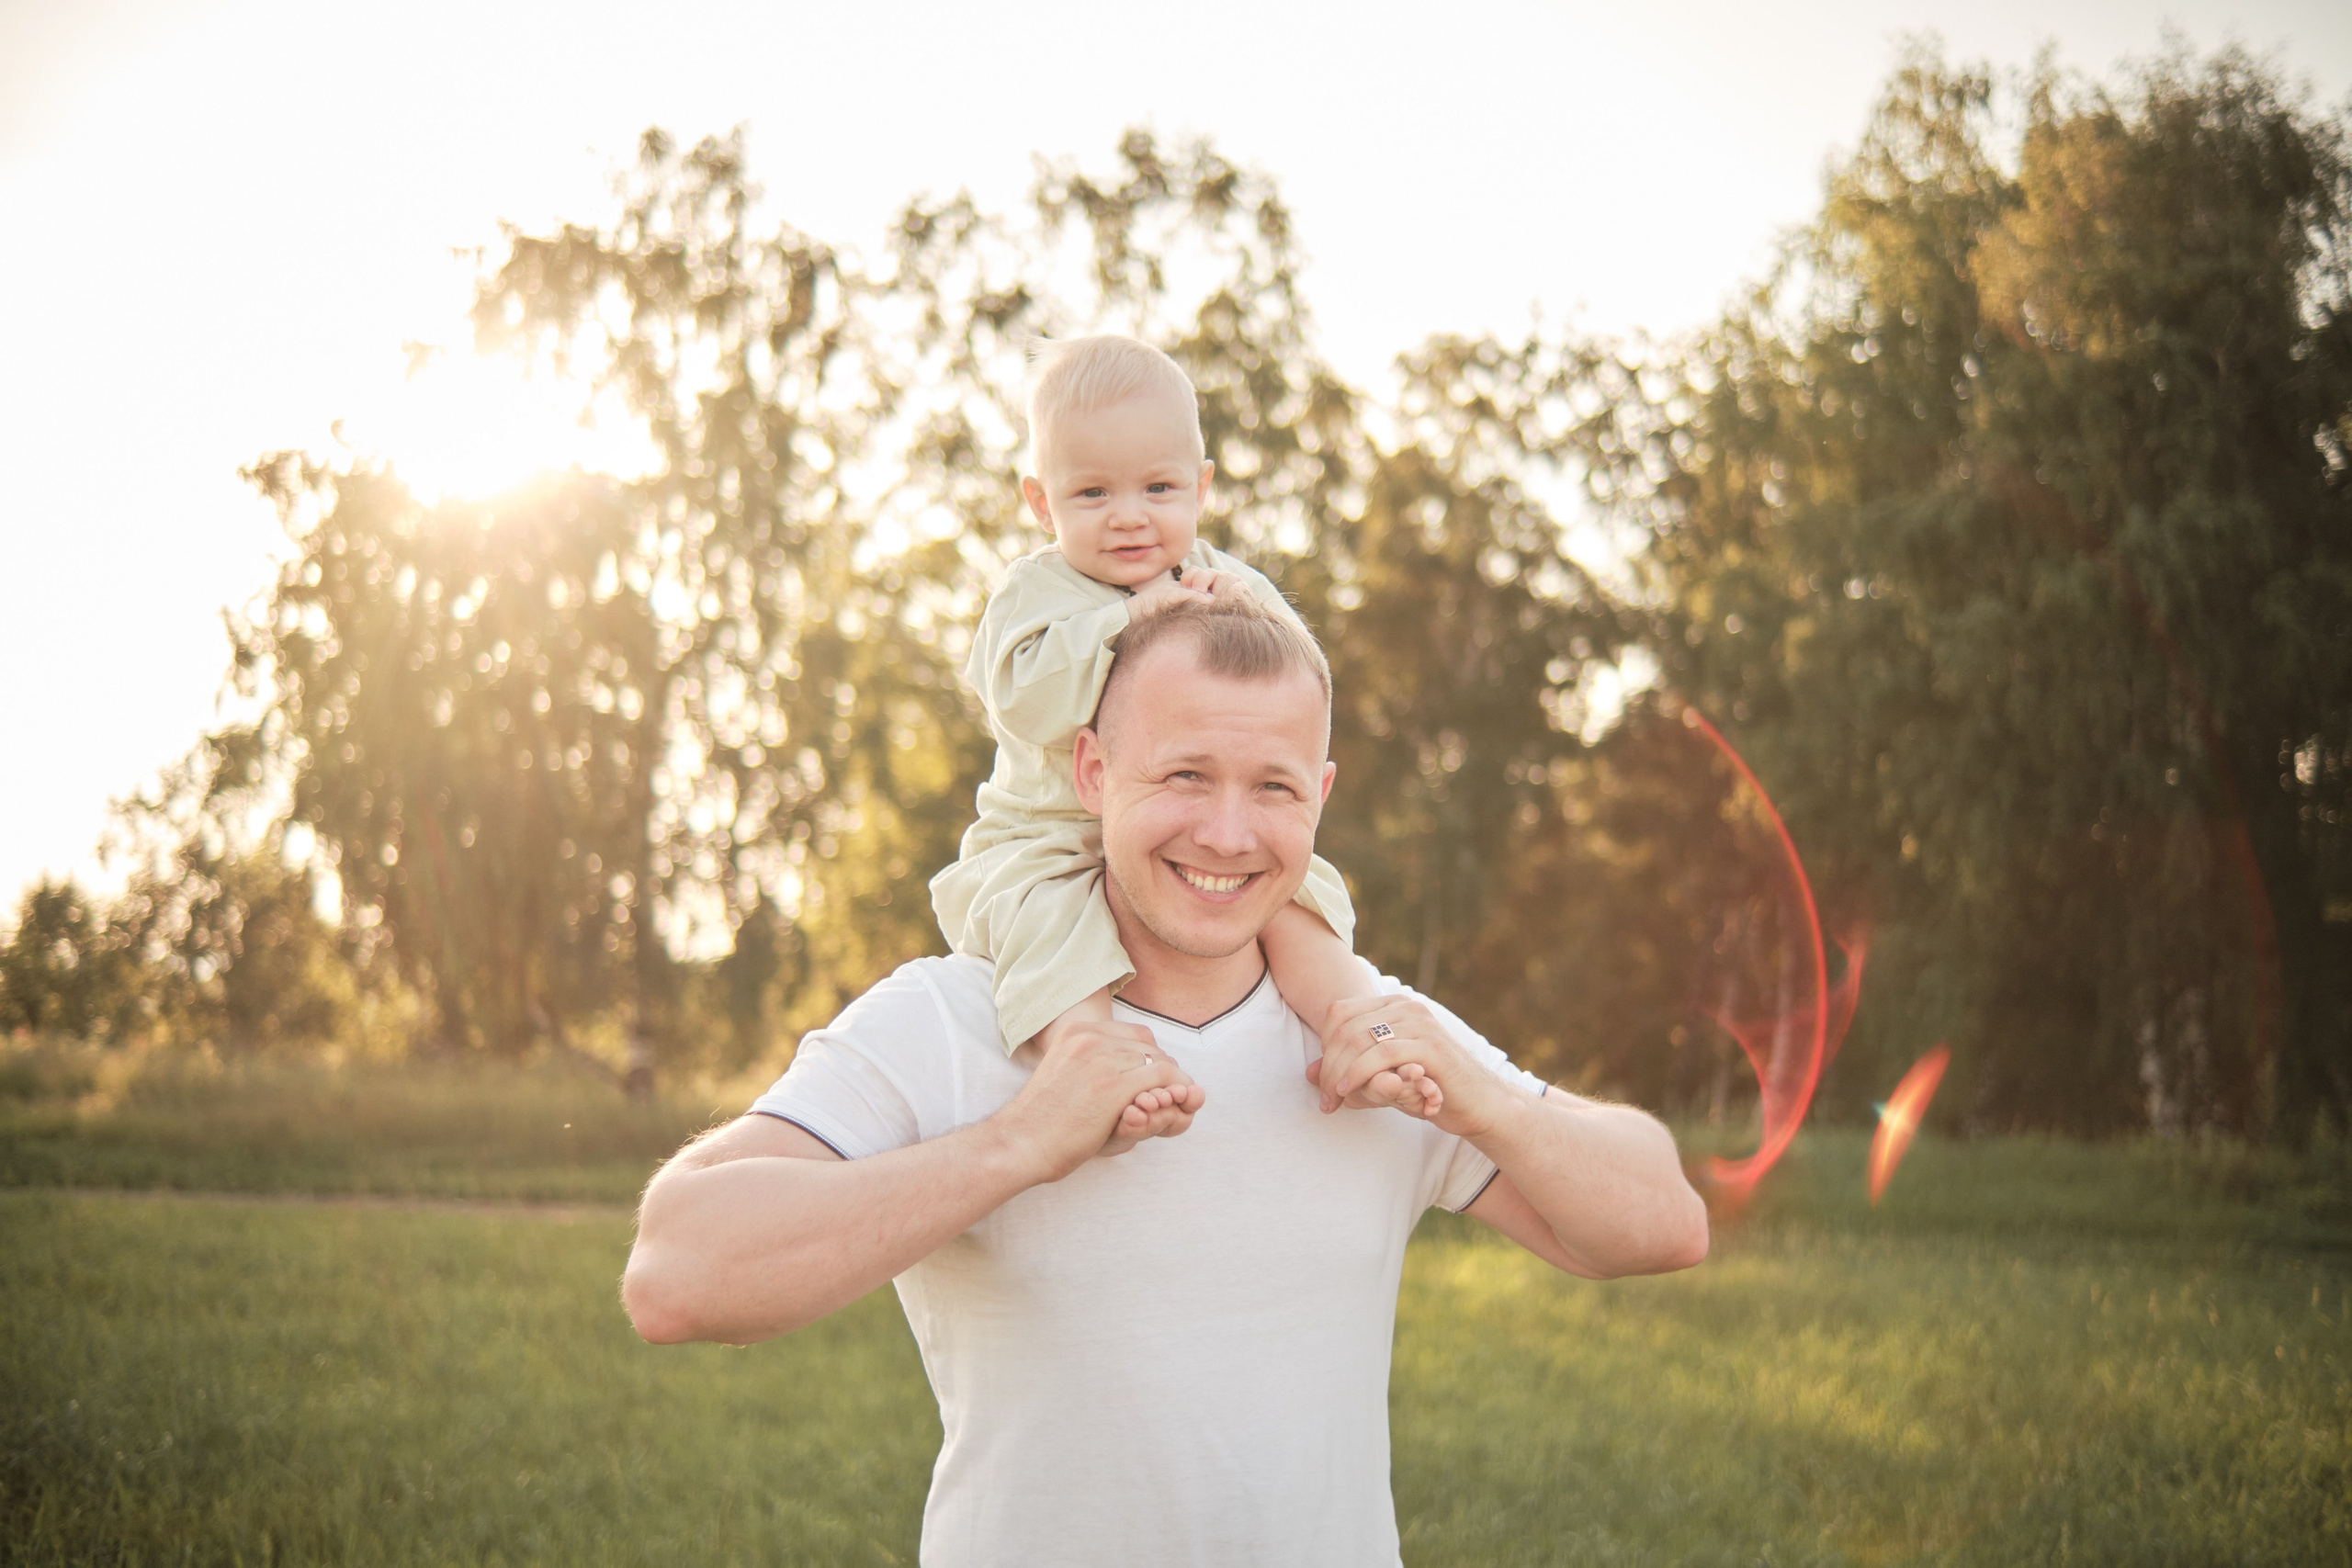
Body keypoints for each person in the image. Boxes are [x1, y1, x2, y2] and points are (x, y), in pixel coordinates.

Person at [622, 594, 1710, 1568]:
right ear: (1092, 771)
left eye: (1272, 787)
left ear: (1319, 796)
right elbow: (676, 1273)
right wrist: (1016, 1144)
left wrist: (1479, 1096)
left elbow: (1658, 1224)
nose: (1226, 834)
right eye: (1184, 774)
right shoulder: (952, 1019)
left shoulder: (1365, 1031)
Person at [927, 334, 1400, 1148]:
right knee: (1046, 920)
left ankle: (1356, 1026)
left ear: (1201, 487)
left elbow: (1302, 686)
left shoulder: (1223, 579)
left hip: (1180, 832)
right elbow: (1021, 696)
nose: (1130, 515)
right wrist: (1125, 622)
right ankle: (1086, 1056)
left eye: (1158, 487)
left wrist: (1248, 616)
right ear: (1042, 504)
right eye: (1093, 493)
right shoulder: (1037, 591)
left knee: (1298, 897)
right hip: (1048, 838)